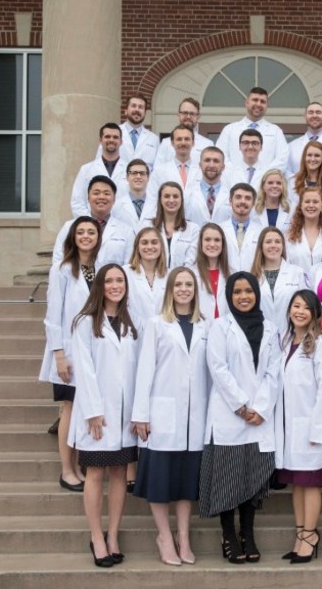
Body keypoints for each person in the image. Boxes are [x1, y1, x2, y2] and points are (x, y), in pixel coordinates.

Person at [201, 272, 282, 564]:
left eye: (248, 291)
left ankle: (247, 532)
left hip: (259, 416)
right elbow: (217, 367)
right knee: (228, 478)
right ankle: (228, 535)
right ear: (229, 296)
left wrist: (260, 408)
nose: (243, 296)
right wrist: (241, 405)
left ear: (256, 295)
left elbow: (275, 372)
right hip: (229, 414)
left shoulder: (271, 329)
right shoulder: (220, 327)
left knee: (252, 476)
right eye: (237, 292)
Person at [132, 267, 210, 566]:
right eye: (178, 284)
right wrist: (140, 414)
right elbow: (145, 370)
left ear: (196, 290)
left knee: (185, 482)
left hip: (195, 417)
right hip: (161, 414)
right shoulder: (156, 324)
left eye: (189, 284)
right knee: (161, 481)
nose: (184, 289)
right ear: (170, 290)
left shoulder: (206, 325)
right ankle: (164, 536)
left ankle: (184, 537)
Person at [69, 263, 140, 568]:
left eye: (119, 281)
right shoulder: (85, 322)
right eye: (109, 281)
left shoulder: (131, 321)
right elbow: (83, 372)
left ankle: (113, 535)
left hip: (125, 416)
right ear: (100, 286)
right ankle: (96, 537)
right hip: (97, 415)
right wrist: (93, 411)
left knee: (120, 474)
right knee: (95, 473)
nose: (115, 285)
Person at [39, 216, 100, 493]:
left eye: (91, 232)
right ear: (73, 237)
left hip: (91, 350)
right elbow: (53, 316)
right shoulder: (62, 269)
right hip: (68, 352)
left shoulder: (97, 269)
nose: (86, 236)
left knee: (82, 409)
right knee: (69, 408)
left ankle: (78, 466)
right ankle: (67, 470)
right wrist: (58, 354)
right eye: (81, 232)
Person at [275, 289, 322, 564]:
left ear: (314, 314)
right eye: (295, 306)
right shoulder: (285, 341)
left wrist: (317, 430)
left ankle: (310, 536)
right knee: (296, 485)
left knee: (310, 485)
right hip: (289, 428)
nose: (299, 311)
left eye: (305, 308)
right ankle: (300, 535)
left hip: (311, 428)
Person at [53, 175, 135, 268]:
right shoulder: (69, 227)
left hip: (112, 282)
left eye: (106, 193)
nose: (101, 197)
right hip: (77, 281)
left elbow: (129, 267)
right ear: (88, 197)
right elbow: (58, 261)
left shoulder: (126, 231)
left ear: (114, 199)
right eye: (96, 193)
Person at [250, 227, 310, 335]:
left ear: (283, 246)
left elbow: (309, 306)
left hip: (292, 336)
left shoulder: (298, 273)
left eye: (277, 242)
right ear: (261, 246)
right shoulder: (252, 277)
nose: (273, 245)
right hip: (260, 338)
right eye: (268, 242)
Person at [216, 86, 288, 171]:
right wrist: (235, 175)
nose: (258, 104)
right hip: (234, 182)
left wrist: (263, 176)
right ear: (246, 102)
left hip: (265, 182)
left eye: (263, 101)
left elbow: (282, 160)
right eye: (255, 100)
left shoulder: (276, 131)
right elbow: (220, 156)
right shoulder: (229, 130)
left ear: (267, 106)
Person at [71, 123, 129, 223]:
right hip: (92, 228)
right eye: (107, 136)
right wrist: (91, 222)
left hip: (123, 226)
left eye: (115, 137)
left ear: (121, 141)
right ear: (100, 140)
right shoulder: (86, 170)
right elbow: (77, 202)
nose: (111, 140)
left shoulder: (130, 171)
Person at [144, 125, 199, 219]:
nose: (183, 142)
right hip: (167, 223)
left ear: (193, 143)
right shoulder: (159, 171)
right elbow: (151, 202)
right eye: (179, 139)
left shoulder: (201, 171)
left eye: (187, 139)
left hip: (196, 224)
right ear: (172, 143)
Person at [144, 181, 200, 270]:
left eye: (175, 196)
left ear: (181, 200)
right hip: (153, 278)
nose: (171, 200)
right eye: (166, 196)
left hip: (182, 280)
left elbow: (190, 261)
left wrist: (178, 278)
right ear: (160, 200)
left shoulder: (193, 229)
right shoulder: (147, 226)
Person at [124, 227, 168, 331]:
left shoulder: (170, 275)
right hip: (134, 334)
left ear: (161, 246)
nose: (149, 246)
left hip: (163, 336)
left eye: (154, 242)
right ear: (137, 248)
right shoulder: (125, 273)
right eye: (144, 243)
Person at [154, 97, 213, 167]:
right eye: (185, 113)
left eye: (192, 113)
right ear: (178, 115)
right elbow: (158, 171)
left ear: (198, 117)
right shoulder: (166, 143)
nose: (188, 116)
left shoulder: (207, 144)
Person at [218, 183, 263, 273]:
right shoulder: (219, 230)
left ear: (253, 203)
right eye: (238, 197)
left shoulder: (262, 232)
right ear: (230, 201)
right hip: (225, 281)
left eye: (247, 198)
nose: (243, 201)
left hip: (254, 282)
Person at [285, 186, 322, 275]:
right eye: (307, 201)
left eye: (315, 202)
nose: (311, 205)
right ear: (301, 206)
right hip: (297, 286)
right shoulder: (289, 237)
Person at [106, 93, 159, 169]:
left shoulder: (154, 139)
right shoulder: (112, 133)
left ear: (145, 113)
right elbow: (101, 162)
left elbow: (157, 169)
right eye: (133, 106)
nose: (137, 109)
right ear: (126, 111)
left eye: (140, 107)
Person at [191, 223, 231, 320]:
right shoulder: (191, 274)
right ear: (201, 243)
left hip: (226, 331)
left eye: (217, 240)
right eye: (207, 239)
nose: (212, 244)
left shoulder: (232, 274)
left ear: (223, 244)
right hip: (200, 329)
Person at [184, 146, 233, 225]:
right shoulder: (187, 194)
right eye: (207, 160)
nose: (211, 165)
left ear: (223, 167)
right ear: (200, 165)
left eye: (216, 161)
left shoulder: (231, 195)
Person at [252, 169, 293, 233]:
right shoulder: (253, 210)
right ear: (263, 186)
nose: (275, 186)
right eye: (270, 183)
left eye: (279, 183)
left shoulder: (292, 208)